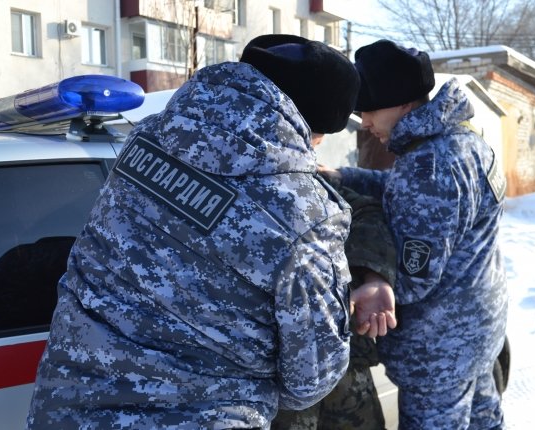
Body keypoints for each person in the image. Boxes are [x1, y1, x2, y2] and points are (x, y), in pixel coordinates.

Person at [26, 34, 395, 429]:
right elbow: (311, 380)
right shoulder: (305, 213)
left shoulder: (144, 138)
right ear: (313, 126)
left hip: (63, 412)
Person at [322, 39, 508, 429]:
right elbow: (404, 192)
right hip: (478, 331)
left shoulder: (429, 166)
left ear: (402, 104)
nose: (365, 123)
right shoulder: (463, 142)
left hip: (438, 353)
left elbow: (411, 279)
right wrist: (344, 177)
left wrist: (363, 277)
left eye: (368, 110)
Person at [272, 142, 397, 430]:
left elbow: (366, 212)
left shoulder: (306, 176)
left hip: (343, 367)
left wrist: (373, 275)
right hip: (276, 383)